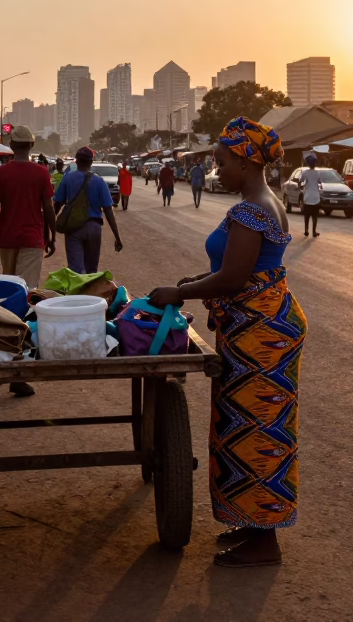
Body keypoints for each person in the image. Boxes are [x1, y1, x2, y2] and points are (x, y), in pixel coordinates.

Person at [147, 117, 305, 568]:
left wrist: (180, 292)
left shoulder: (251, 209)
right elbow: (254, 269)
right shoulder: (266, 201)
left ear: (245, 160)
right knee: (251, 424)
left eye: (221, 162)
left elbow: (237, 276)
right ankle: (255, 524)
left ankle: (264, 541)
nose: (217, 170)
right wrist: (199, 281)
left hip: (261, 333)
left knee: (255, 428)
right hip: (263, 323)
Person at [0, 125, 56, 286]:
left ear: (11, 145)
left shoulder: (1, 173)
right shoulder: (42, 172)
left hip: (8, 239)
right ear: (31, 145)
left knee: (10, 287)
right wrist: (51, 236)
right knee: (27, 289)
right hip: (32, 238)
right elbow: (48, 208)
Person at [53, 147, 123, 274]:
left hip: (74, 228)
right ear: (91, 163)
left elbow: (57, 204)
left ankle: (77, 292)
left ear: (77, 161)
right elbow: (108, 210)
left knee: (75, 271)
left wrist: (50, 232)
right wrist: (117, 237)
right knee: (91, 271)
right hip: (94, 227)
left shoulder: (67, 179)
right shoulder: (99, 181)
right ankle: (90, 292)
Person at [298, 154, 323, 237]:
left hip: (307, 197)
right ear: (315, 164)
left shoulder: (304, 172)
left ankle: (306, 230)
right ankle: (314, 232)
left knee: (307, 215)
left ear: (307, 164)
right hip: (316, 197)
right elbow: (320, 183)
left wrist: (301, 187)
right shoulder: (318, 173)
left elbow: (300, 182)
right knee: (315, 216)